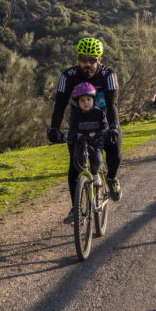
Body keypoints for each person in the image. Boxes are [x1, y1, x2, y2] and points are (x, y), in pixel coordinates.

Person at [47, 37, 122, 223]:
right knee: (75, 165)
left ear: (99, 60)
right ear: (77, 59)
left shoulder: (108, 75)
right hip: (79, 123)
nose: (87, 64)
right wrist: (54, 128)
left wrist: (113, 127)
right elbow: (60, 104)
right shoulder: (68, 76)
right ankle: (75, 208)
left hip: (104, 120)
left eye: (92, 60)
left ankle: (111, 178)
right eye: (83, 59)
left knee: (115, 152)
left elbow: (112, 104)